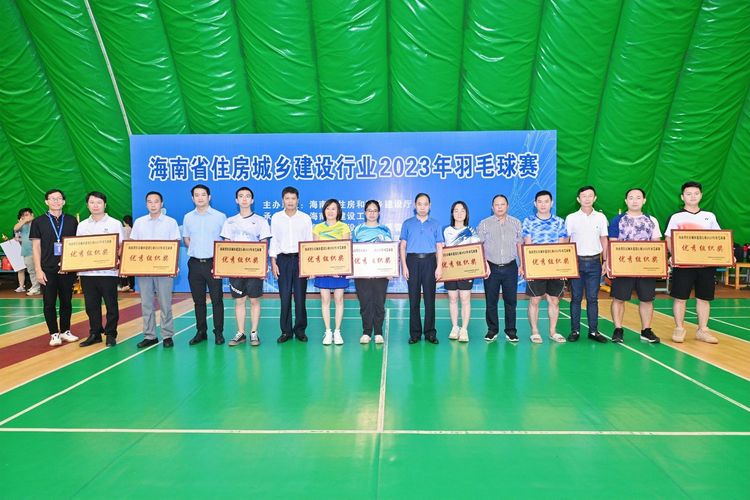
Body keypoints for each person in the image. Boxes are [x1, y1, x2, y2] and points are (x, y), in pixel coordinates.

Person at [665, 181, 723, 344]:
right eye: (688, 194)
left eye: (696, 193)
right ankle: (679, 328)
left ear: (701, 196)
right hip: (683, 265)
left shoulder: (709, 216)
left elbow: (719, 239)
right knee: (680, 298)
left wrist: (726, 255)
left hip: (706, 265)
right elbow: (669, 238)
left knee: (704, 298)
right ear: (682, 197)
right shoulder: (676, 217)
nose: (692, 196)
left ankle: (703, 330)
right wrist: (674, 255)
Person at [607, 188, 662, 343]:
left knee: (647, 300)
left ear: (644, 200)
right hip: (623, 267)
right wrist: (611, 264)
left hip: (645, 268)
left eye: (638, 197)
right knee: (619, 299)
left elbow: (656, 244)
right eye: (631, 198)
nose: (634, 201)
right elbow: (612, 243)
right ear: (626, 201)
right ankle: (618, 329)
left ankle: (646, 330)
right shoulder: (617, 220)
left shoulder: (652, 220)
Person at [221, 187, 271, 347]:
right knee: (239, 301)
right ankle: (240, 332)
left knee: (255, 300)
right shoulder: (229, 222)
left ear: (252, 200)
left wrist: (263, 266)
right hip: (236, 269)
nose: (244, 199)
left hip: (254, 269)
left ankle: (254, 332)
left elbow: (264, 245)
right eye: (241, 196)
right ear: (236, 200)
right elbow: (226, 246)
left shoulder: (261, 221)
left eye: (248, 196)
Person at [130, 192, 181, 349]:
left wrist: (174, 265)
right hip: (144, 270)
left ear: (162, 203)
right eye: (150, 202)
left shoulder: (170, 222)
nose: (153, 204)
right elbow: (132, 245)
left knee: (165, 303)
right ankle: (149, 335)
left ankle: (167, 335)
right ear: (146, 204)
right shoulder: (139, 222)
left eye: (156, 201)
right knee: (146, 303)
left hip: (164, 269)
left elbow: (175, 245)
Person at [30, 189, 80, 347]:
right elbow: (36, 247)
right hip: (47, 270)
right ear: (46, 202)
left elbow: (77, 245)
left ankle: (65, 331)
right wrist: (38, 270)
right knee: (49, 303)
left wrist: (73, 265)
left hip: (67, 269)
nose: (56, 201)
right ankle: (54, 334)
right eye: (52, 199)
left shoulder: (72, 220)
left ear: (64, 202)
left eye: (59, 198)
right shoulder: (38, 222)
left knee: (66, 302)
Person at [77, 191, 125, 347]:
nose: (95, 206)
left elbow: (121, 246)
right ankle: (95, 333)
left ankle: (111, 333)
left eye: (99, 202)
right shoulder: (82, 225)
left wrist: (116, 258)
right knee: (91, 305)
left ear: (105, 205)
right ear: (87, 205)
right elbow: (77, 248)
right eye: (92, 202)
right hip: (87, 272)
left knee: (111, 304)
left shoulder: (114, 223)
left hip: (108, 272)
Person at [521, 190, 568, 343]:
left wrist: (563, 268)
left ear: (551, 203)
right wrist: (528, 267)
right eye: (540, 201)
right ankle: (535, 331)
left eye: (546, 201)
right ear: (535, 204)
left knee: (554, 300)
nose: (543, 204)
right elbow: (527, 244)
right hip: (536, 267)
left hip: (555, 268)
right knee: (535, 300)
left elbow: (562, 246)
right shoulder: (528, 221)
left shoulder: (559, 222)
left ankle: (553, 331)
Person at [182, 184, 227, 346]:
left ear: (209, 197)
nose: (200, 197)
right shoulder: (188, 217)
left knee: (217, 300)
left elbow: (225, 241)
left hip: (213, 264)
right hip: (194, 264)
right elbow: (186, 239)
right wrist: (197, 250)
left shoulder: (220, 216)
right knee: (198, 301)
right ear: (192, 198)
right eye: (196, 195)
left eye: (203, 194)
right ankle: (201, 331)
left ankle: (218, 332)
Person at [564, 186, 609, 343]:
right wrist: (566, 264)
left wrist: (606, 260)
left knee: (592, 298)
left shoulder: (601, 218)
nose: (587, 198)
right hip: (576, 262)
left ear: (595, 198)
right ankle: (575, 330)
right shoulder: (571, 218)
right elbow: (566, 241)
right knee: (576, 298)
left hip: (595, 263)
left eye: (590, 195)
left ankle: (593, 331)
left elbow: (604, 239)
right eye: (584, 196)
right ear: (578, 199)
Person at [270, 186, 313, 343]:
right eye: (287, 198)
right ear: (282, 200)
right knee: (285, 297)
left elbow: (309, 241)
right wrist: (273, 262)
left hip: (300, 260)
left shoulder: (305, 218)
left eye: (293, 198)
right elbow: (274, 241)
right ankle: (286, 331)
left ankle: (300, 330)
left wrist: (309, 265)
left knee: (300, 298)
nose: (290, 201)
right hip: (283, 260)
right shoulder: (276, 218)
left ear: (298, 200)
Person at [478, 194, 522, 343]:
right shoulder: (484, 224)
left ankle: (511, 331)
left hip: (510, 267)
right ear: (492, 207)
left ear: (507, 206)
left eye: (502, 204)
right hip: (491, 267)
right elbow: (479, 247)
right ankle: (492, 330)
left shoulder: (516, 223)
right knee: (491, 301)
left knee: (511, 301)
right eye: (497, 205)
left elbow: (519, 245)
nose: (500, 207)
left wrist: (522, 264)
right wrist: (483, 264)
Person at [400, 193, 444, 344]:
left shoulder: (436, 224)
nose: (422, 207)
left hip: (430, 261)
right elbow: (403, 246)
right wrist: (404, 266)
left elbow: (439, 247)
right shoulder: (407, 223)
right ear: (415, 205)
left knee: (430, 300)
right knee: (414, 300)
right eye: (419, 204)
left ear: (430, 206)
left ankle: (430, 332)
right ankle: (415, 333)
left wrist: (439, 267)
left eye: (425, 204)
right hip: (412, 261)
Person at [352, 200, 392, 345]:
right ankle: (366, 332)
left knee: (379, 303)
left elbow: (390, 251)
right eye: (369, 210)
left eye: (375, 210)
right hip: (362, 273)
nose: (372, 213)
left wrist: (390, 270)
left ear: (379, 213)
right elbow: (352, 251)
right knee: (365, 303)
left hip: (380, 273)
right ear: (365, 212)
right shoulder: (357, 230)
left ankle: (379, 332)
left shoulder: (385, 230)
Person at [312, 199, 351, 345]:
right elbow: (315, 250)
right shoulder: (318, 228)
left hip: (339, 270)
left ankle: (337, 331)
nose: (330, 211)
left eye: (333, 208)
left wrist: (339, 268)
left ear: (338, 211)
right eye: (327, 208)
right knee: (325, 300)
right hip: (323, 270)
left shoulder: (344, 227)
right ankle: (328, 331)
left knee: (339, 299)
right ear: (324, 211)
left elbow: (345, 249)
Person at [443, 201, 479, 342]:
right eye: (456, 210)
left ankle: (464, 329)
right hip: (451, 271)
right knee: (452, 299)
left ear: (466, 213)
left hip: (466, 271)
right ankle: (455, 327)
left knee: (465, 299)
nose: (459, 213)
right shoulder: (446, 231)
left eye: (462, 210)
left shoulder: (471, 231)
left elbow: (476, 250)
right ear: (452, 213)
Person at [14, 208, 40, 295]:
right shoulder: (22, 225)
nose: (25, 217)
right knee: (31, 270)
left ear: (32, 215)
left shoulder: (37, 223)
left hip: (38, 251)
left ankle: (37, 287)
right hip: (26, 251)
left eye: (27, 215)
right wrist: (24, 221)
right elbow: (15, 228)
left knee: (39, 269)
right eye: (23, 216)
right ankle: (35, 286)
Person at [118, 215, 135, 292]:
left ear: (124, 222)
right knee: (131, 269)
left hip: (123, 251)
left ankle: (124, 285)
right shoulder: (133, 229)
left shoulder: (123, 229)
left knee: (123, 269)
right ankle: (131, 286)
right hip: (131, 251)